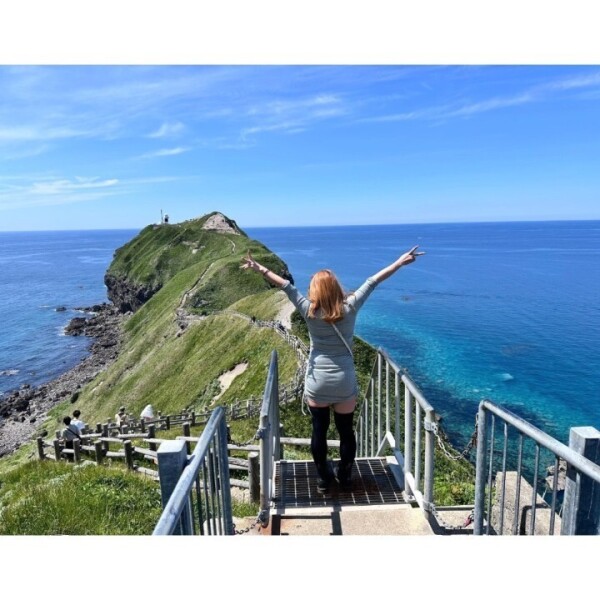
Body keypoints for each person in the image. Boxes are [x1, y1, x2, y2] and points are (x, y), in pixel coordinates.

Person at [241, 245, 424, 493]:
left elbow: (284, 285)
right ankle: (345, 475)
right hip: (344, 381)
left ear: (315, 291)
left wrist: (258, 268)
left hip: (317, 381)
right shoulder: (350, 308)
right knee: (346, 431)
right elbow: (373, 281)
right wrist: (399, 262)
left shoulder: (308, 310)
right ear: (335, 288)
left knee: (319, 430)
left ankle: (323, 479)